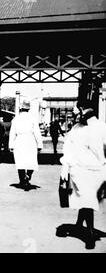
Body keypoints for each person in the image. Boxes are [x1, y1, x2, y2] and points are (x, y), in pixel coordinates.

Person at [59, 105, 106, 249]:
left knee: (86, 199)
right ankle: (90, 234)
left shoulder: (80, 128)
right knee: (88, 199)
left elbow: (67, 149)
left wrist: (65, 167)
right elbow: (68, 149)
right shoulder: (97, 127)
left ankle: (82, 227)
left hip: (88, 169)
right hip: (85, 170)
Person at [9, 101, 43, 191]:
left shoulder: (16, 119)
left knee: (20, 161)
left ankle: (22, 181)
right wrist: (39, 145)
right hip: (30, 140)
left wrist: (11, 145)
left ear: (21, 108)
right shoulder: (33, 119)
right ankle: (28, 175)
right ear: (29, 108)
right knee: (31, 159)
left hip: (19, 141)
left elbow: (12, 133)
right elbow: (37, 132)